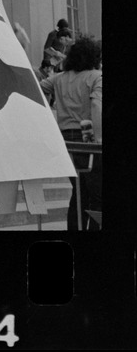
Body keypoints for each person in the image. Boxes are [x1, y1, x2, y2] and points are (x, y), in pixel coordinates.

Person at [40, 35, 102, 230]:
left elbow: (37, 88)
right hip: (88, 137)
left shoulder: (59, 78)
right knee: (97, 196)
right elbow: (96, 105)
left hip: (66, 139)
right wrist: (98, 139)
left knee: (79, 193)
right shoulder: (96, 77)